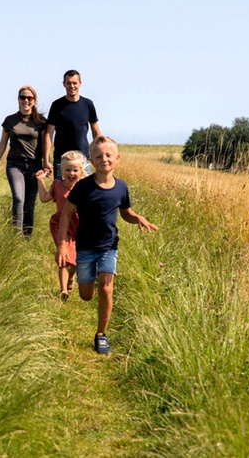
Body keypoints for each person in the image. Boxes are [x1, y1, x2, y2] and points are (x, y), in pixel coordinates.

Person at [57, 136, 158, 354]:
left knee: (105, 288)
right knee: (87, 295)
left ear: (117, 158)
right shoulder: (83, 187)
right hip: (84, 246)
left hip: (109, 245)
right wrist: (63, 245)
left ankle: (101, 335)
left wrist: (138, 218)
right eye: (99, 156)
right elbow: (66, 214)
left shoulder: (121, 187)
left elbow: (126, 213)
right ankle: (78, 278)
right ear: (92, 161)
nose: (104, 159)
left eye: (109, 155)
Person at [0, 85, 46, 236]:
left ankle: (27, 239)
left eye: (29, 98)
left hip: (34, 166)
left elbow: (46, 145)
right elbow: (2, 145)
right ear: (18, 99)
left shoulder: (41, 121)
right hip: (15, 165)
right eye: (23, 97)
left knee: (29, 204)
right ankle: (16, 237)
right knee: (19, 198)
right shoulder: (10, 120)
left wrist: (46, 164)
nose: (26, 100)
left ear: (34, 100)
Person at [35, 150, 87, 301]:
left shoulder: (84, 186)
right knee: (63, 256)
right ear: (61, 170)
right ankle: (63, 289)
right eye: (67, 170)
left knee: (77, 258)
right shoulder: (57, 185)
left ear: (81, 171)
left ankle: (71, 277)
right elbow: (44, 198)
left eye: (75, 170)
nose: (71, 173)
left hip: (79, 225)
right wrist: (40, 181)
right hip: (60, 225)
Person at [42, 69, 101, 179]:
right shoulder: (56, 105)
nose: (72, 86)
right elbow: (48, 134)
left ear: (80, 84)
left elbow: (96, 132)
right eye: (68, 83)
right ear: (64, 84)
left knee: (84, 194)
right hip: (62, 160)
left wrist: (99, 155)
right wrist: (46, 160)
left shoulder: (88, 104)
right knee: (61, 195)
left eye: (74, 83)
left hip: (83, 159)